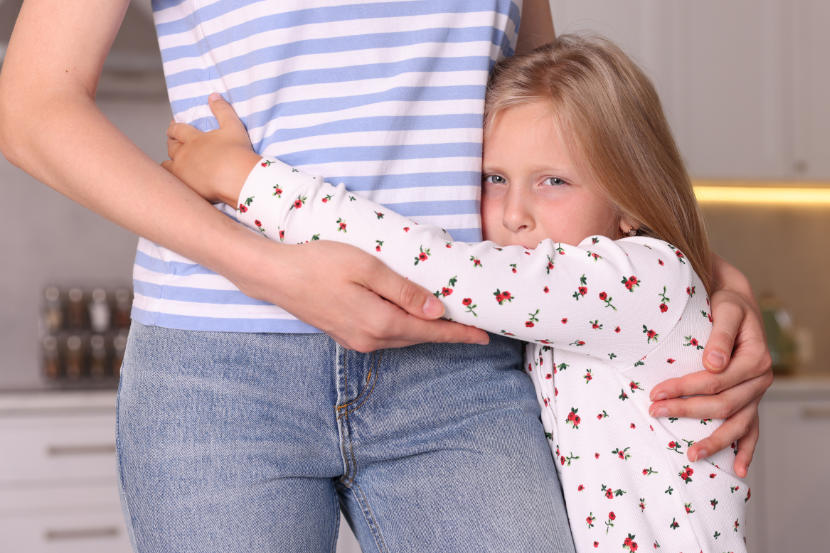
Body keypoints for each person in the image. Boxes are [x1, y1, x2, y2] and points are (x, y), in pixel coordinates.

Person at [0, 1, 770, 551]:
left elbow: (561, 120)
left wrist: (706, 290)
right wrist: (270, 268)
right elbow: (31, 104)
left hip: (462, 361)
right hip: (223, 366)